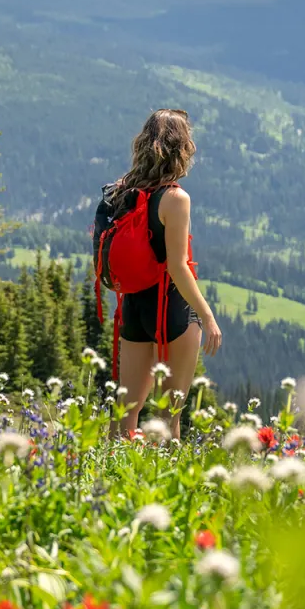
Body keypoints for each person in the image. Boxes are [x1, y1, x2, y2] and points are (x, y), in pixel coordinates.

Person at [93, 109, 221, 439]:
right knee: (168, 416)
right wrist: (207, 317)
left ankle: (109, 479)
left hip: (133, 306)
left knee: (125, 411)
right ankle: (165, 486)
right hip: (171, 311)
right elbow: (178, 267)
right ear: (182, 148)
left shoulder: (121, 191)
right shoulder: (175, 199)